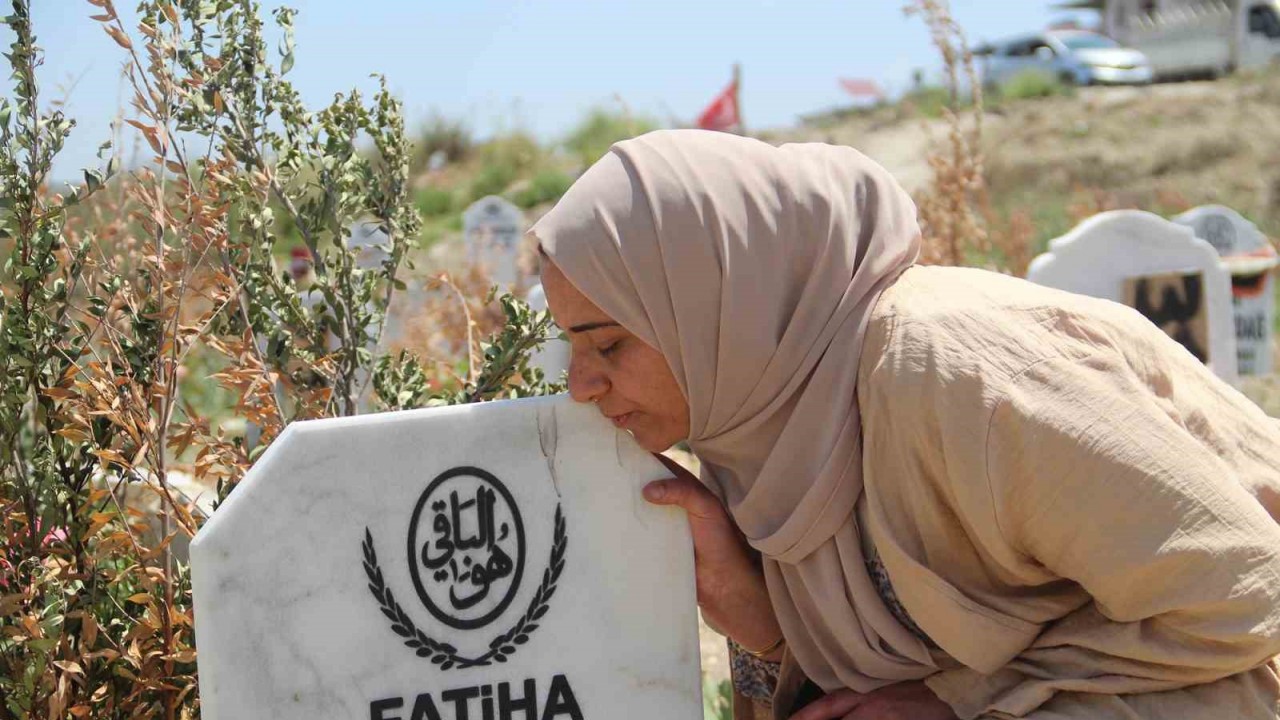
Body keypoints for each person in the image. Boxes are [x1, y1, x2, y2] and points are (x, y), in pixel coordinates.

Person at [532, 129, 1280, 720]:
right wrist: (764, 620)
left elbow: (1246, 596)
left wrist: (963, 706)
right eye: (573, 346)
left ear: (710, 307)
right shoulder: (765, 419)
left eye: (609, 344)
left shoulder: (951, 372)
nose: (582, 385)